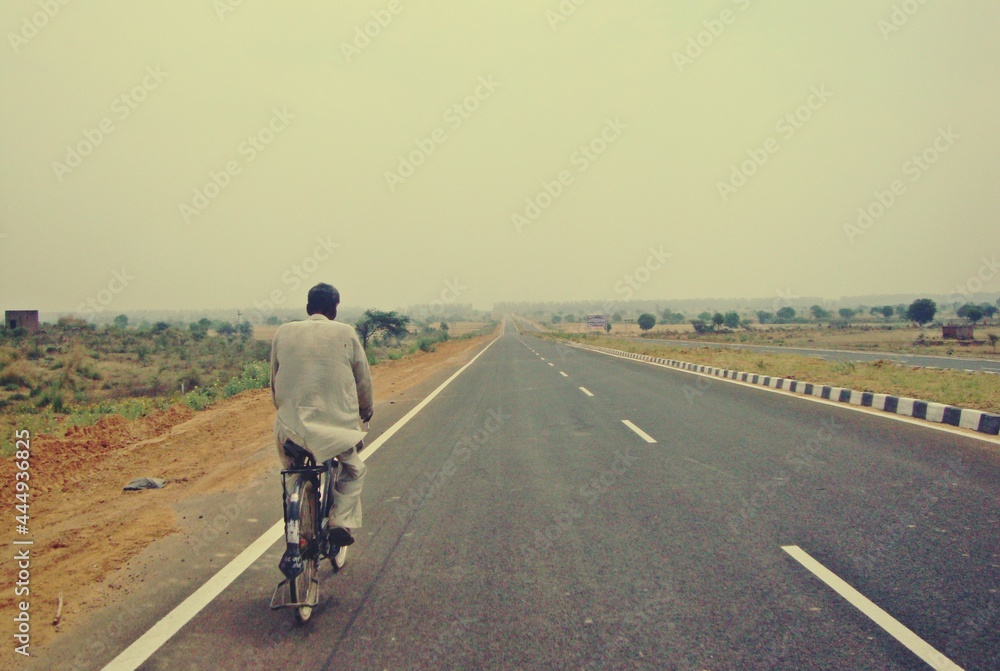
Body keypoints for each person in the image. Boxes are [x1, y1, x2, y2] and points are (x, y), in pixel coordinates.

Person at [270, 283, 374, 567]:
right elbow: (363, 381)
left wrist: (287, 411)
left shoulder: (283, 332)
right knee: (354, 469)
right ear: (334, 310)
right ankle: (340, 519)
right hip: (336, 429)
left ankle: (299, 520)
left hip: (293, 427)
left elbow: (274, 385)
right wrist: (365, 411)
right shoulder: (346, 333)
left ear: (307, 309)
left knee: (292, 470)